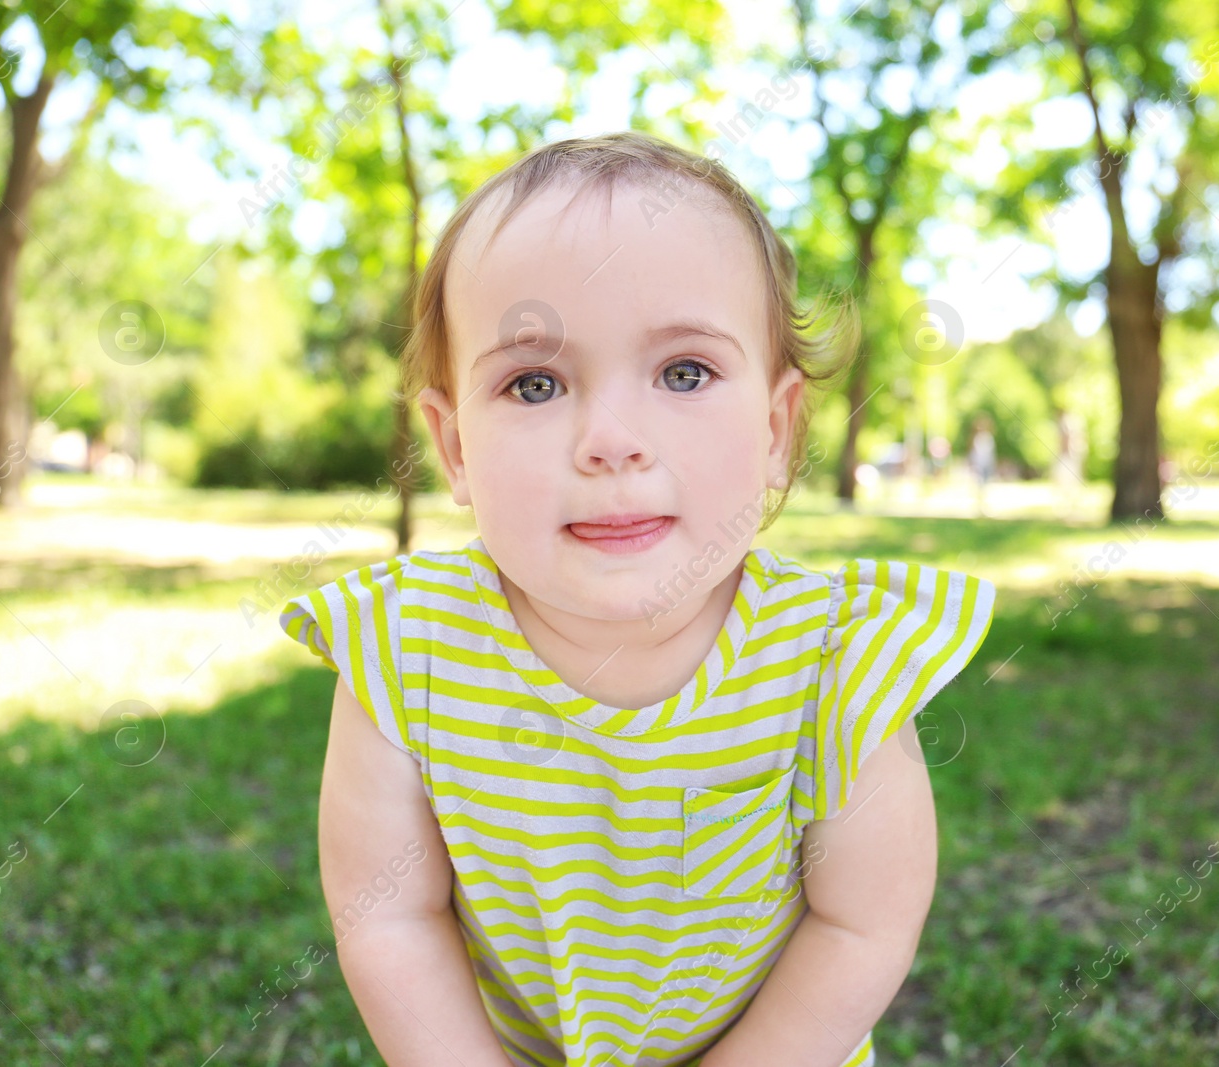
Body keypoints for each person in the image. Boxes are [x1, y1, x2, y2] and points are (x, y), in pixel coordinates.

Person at [279, 131, 997, 1067]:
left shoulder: (834, 655)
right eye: (534, 383)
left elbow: (862, 924)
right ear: (454, 449)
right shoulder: (404, 646)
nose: (611, 439)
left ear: (777, 430)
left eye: (684, 373)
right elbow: (390, 917)